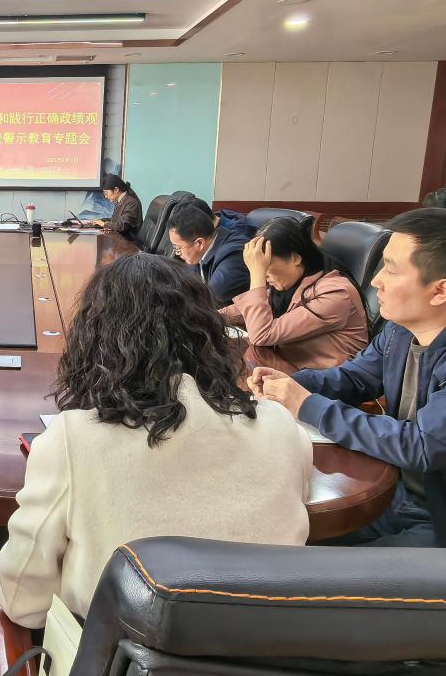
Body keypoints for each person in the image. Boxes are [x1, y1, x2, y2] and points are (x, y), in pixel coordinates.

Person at [0, 254, 311, 628]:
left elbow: (24, 605)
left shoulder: (70, 440)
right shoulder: (282, 427)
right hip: (263, 649)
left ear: (94, 344)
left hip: (120, 654)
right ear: (210, 335)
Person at [254, 208, 446, 547]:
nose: (375, 281)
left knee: (307, 571)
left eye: (391, 269)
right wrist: (291, 384)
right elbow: (354, 377)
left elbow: (421, 445)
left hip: (434, 518)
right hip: (393, 492)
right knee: (277, 538)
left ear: (440, 291)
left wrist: (308, 405)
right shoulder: (399, 331)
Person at [221, 217, 369, 372]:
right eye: (259, 265)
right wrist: (207, 316)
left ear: (295, 258)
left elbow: (261, 335)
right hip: (293, 367)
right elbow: (238, 312)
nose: (263, 274)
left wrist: (256, 275)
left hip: (327, 379)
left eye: (265, 264)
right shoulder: (290, 283)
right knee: (229, 347)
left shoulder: (336, 293)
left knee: (247, 354)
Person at [168, 198, 252, 306]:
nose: (177, 253)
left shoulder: (232, 258)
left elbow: (208, 303)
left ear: (199, 243)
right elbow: (189, 286)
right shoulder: (202, 251)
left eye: (178, 248)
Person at [91, 174, 142, 239]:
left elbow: (122, 226)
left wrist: (104, 224)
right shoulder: (122, 200)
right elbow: (115, 221)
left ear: (116, 190)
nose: (106, 196)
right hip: (121, 240)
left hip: (129, 242)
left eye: (106, 193)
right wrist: (101, 221)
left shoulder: (131, 203)